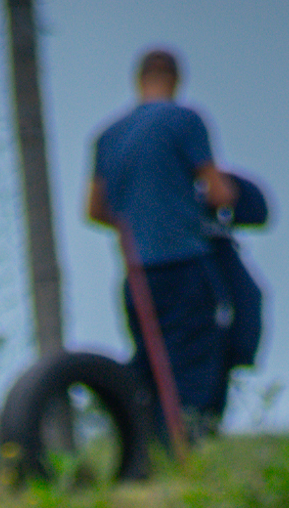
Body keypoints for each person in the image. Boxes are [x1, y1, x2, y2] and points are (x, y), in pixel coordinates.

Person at [87, 48, 244, 440]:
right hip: (184, 262)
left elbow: (94, 209)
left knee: (151, 366)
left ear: (138, 80)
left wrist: (136, 219)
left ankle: (145, 448)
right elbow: (219, 192)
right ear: (176, 80)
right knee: (193, 363)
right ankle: (185, 448)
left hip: (137, 274)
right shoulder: (184, 120)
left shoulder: (107, 136)